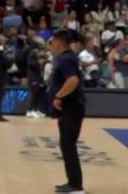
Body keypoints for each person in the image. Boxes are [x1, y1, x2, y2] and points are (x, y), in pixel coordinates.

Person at [48, 29, 85, 193]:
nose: (51, 45)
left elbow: (73, 80)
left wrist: (58, 96)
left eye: (52, 42)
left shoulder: (65, 59)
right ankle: (72, 182)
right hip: (71, 108)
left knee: (68, 145)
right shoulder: (68, 57)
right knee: (67, 145)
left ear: (58, 42)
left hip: (71, 108)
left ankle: (76, 186)